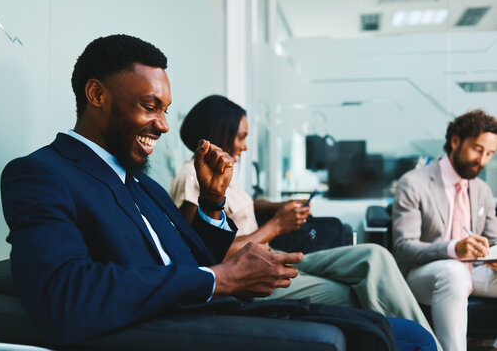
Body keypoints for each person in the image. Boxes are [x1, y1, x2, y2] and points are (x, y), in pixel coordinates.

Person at [1, 34, 435, 349]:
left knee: (396, 330)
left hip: (218, 312)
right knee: (406, 336)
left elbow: (190, 258)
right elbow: (65, 294)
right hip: (190, 328)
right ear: (96, 94)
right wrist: (220, 278)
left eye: (166, 110)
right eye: (149, 106)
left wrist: (211, 204)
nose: (164, 125)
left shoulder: (140, 182)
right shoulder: (41, 174)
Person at [170, 95, 437, 341]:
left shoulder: (220, 177)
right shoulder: (192, 178)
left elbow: (246, 206)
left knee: (375, 256)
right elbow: (206, 251)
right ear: (220, 133)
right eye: (240, 136)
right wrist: (276, 225)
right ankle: (421, 343)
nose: (245, 145)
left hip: (272, 255)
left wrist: (280, 206)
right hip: (255, 275)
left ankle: (424, 343)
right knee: (358, 290)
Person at [393, 109, 497, 351]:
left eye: (490, 153)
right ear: (455, 141)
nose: (482, 160)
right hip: (426, 273)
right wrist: (454, 248)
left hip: (476, 271)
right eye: (477, 149)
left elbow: (493, 240)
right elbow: (403, 248)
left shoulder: (481, 189)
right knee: (454, 272)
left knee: (460, 272)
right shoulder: (414, 183)